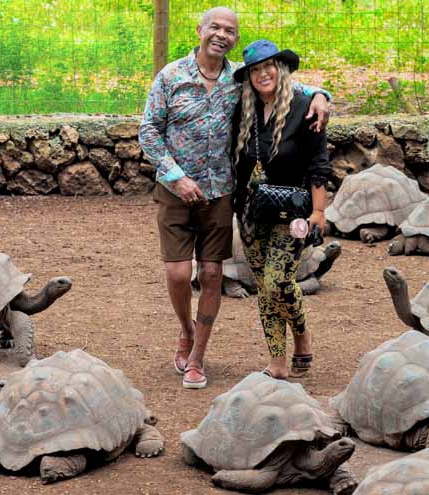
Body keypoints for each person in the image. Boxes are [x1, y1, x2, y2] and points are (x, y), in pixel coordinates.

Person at [138, 7, 331, 389]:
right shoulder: (172, 75)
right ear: (199, 30)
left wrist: (323, 95)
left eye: (230, 30)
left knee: (214, 274)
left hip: (221, 193)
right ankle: (185, 331)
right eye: (215, 27)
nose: (221, 34)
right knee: (179, 273)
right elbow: (148, 130)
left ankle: (198, 359)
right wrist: (176, 177)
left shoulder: (235, 80)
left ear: (235, 39)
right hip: (178, 189)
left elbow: (292, 90)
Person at [231, 40, 331, 379]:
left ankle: (301, 334)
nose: (263, 74)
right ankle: (277, 360)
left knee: (278, 282)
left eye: (268, 66)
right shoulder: (242, 111)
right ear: (248, 78)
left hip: (293, 211)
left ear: (281, 68)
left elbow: (319, 163)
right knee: (265, 288)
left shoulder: (306, 108)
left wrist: (319, 212)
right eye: (255, 70)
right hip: (250, 214)